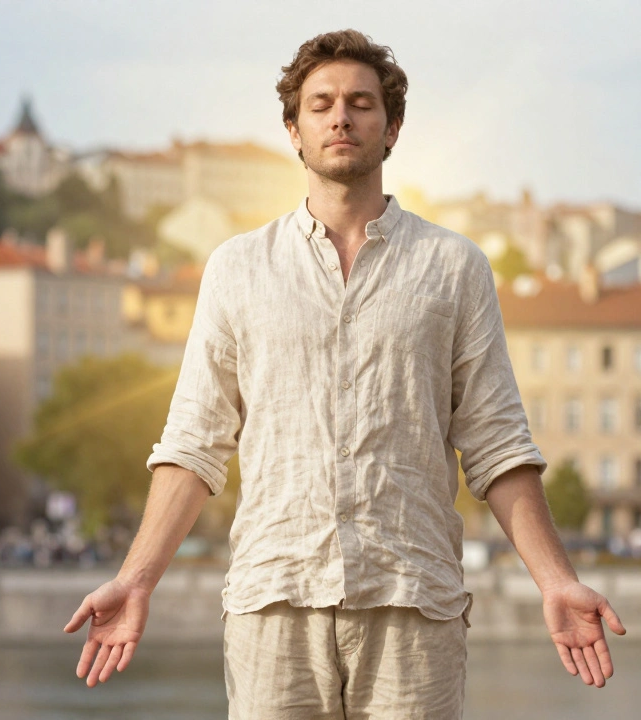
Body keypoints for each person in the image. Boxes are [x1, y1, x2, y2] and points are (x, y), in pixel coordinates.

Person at [65, 29, 626, 718]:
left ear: (392, 128)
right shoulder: (237, 270)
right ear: (293, 130)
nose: (341, 116)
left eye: (362, 103)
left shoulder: (454, 268)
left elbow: (497, 443)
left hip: (412, 605)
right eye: (322, 103)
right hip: (274, 606)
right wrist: (136, 579)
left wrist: (557, 581)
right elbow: (193, 444)